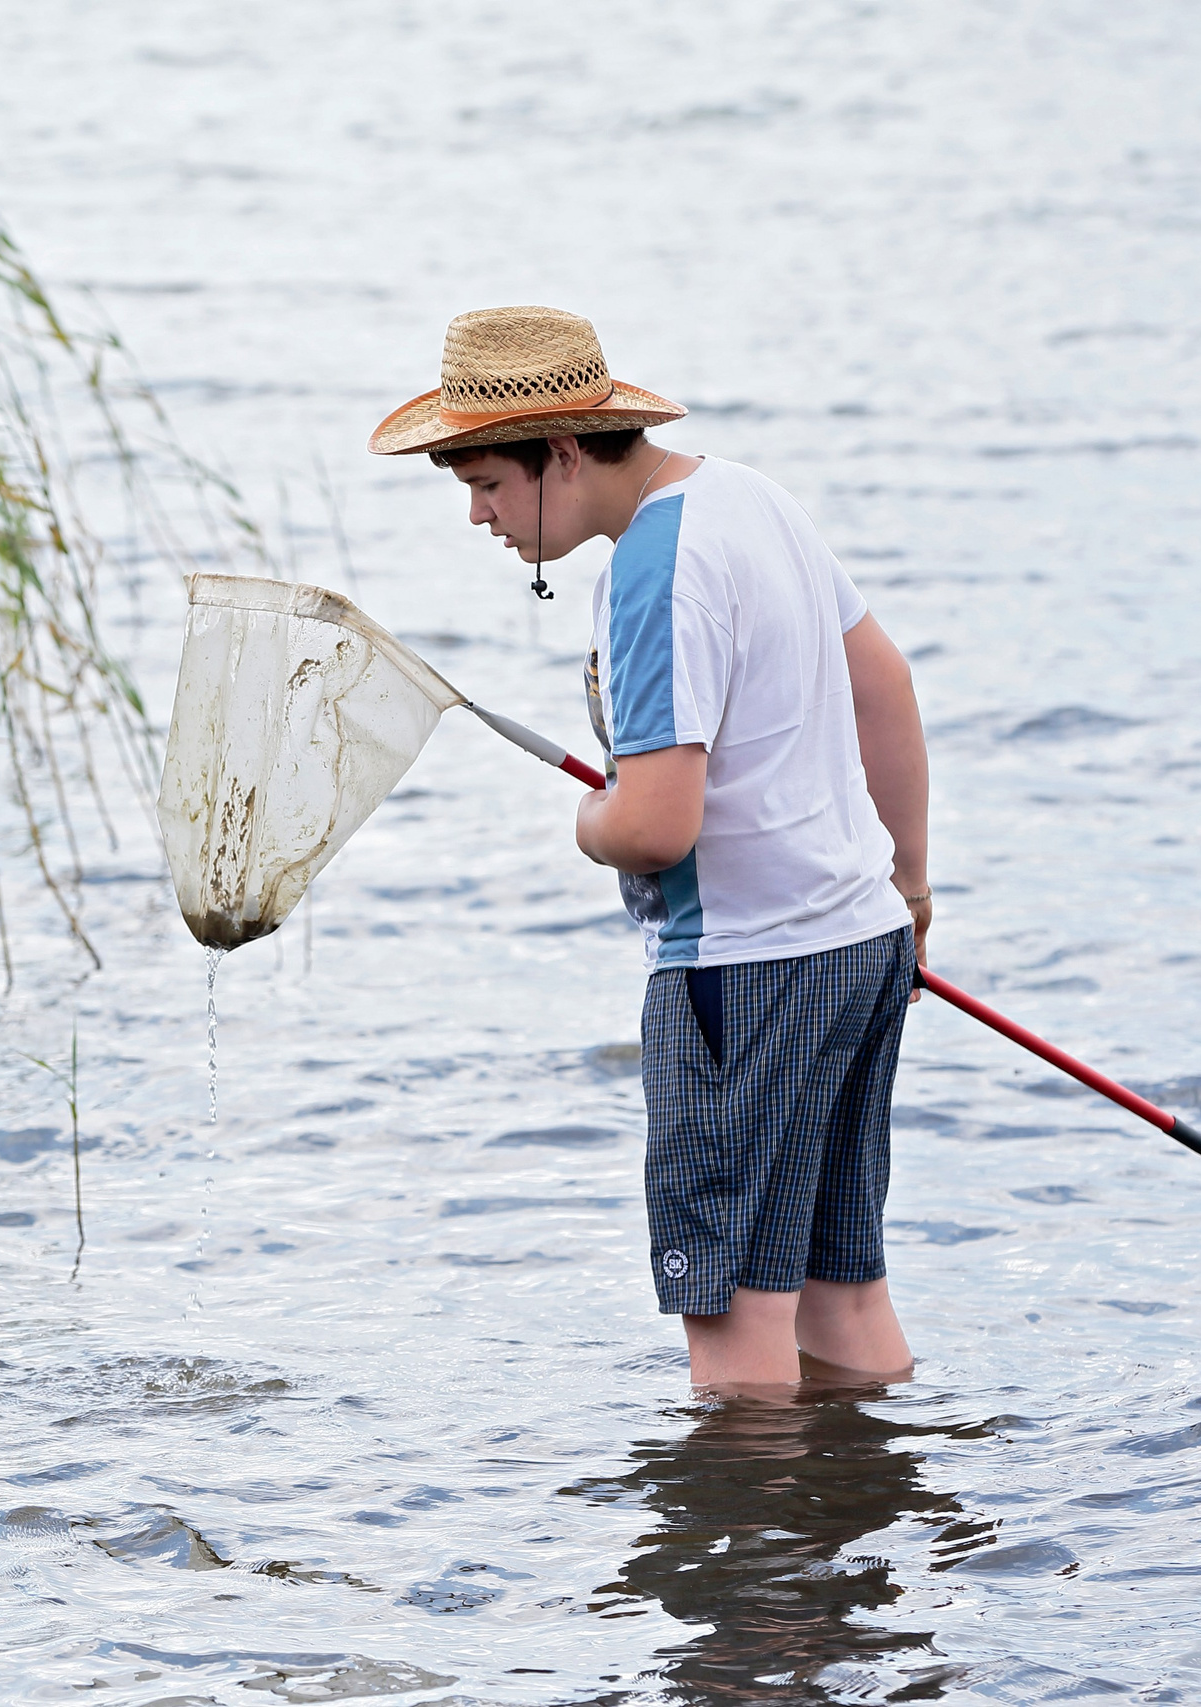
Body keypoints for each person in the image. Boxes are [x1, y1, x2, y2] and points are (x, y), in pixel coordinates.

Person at [370, 306, 934, 1390]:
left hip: (742, 975)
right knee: (840, 1292)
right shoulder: (749, 496)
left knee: (732, 1332)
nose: (478, 515)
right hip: (860, 945)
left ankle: (737, 1555)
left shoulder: (647, 574)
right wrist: (908, 886)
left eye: (487, 482)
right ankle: (870, 1528)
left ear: (565, 451)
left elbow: (655, 824)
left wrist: (589, 822)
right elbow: (887, 689)